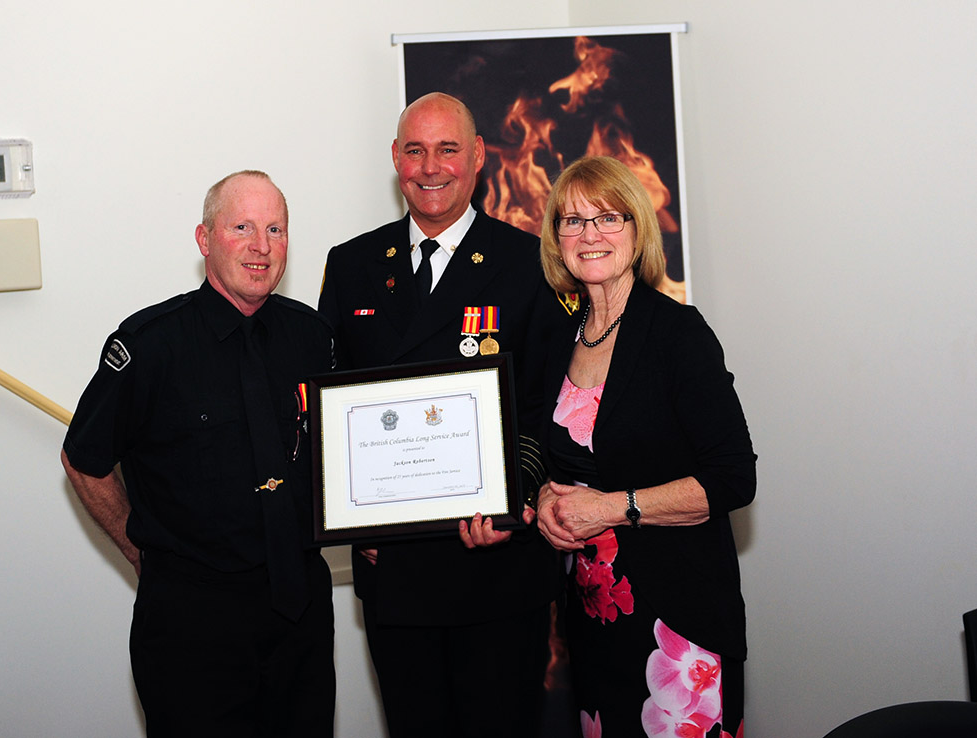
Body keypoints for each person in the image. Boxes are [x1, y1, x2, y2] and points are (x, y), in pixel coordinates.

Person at [318, 92, 567, 738]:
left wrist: (514, 499)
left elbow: (549, 407)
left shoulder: (531, 263)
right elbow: (329, 409)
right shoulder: (351, 266)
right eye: (415, 151)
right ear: (395, 158)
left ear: (478, 156)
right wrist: (352, 512)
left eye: (448, 149)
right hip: (396, 575)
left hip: (499, 571)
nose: (431, 168)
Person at [61, 171, 336, 738]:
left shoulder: (312, 337)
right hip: (192, 622)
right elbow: (83, 459)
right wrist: (140, 550)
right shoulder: (150, 344)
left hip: (300, 611)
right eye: (242, 228)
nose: (261, 246)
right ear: (205, 239)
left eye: (275, 229)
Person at [534, 156, 756, 738]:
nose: (590, 234)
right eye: (573, 221)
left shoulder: (678, 333)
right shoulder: (561, 339)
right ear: (557, 239)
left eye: (608, 217)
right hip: (593, 619)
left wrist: (610, 508)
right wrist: (546, 500)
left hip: (677, 625)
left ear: (637, 230)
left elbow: (732, 478)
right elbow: (557, 456)